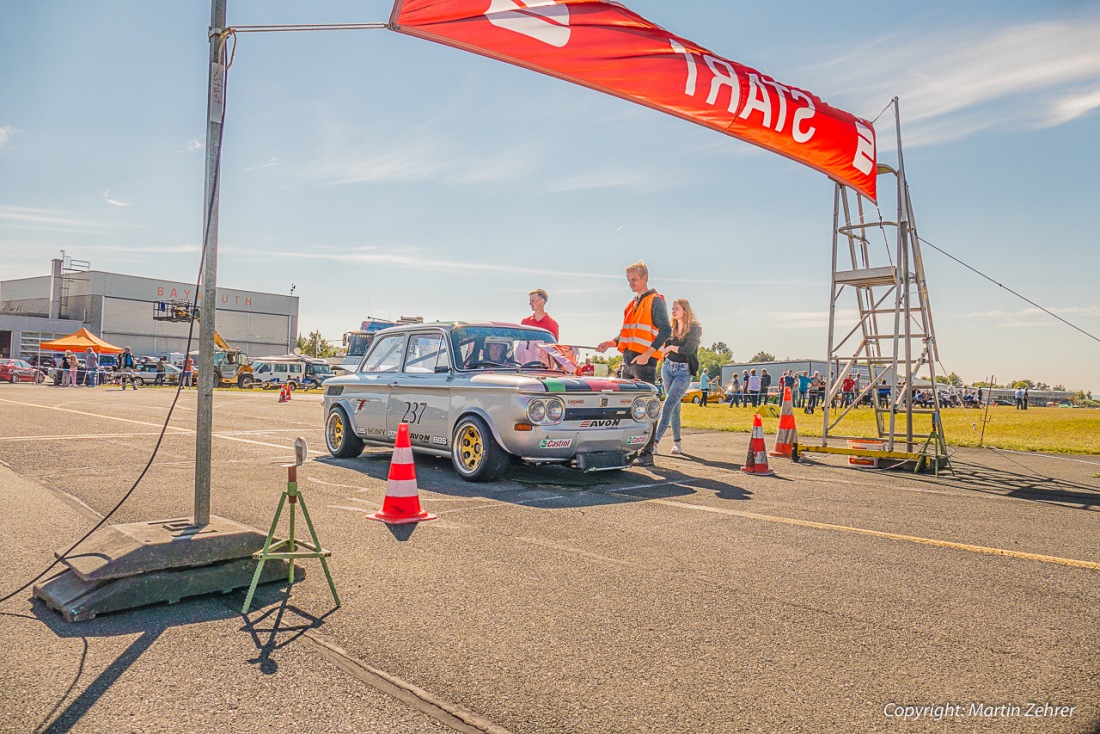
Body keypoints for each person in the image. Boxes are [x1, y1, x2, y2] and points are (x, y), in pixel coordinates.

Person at [597, 261, 671, 467]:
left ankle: (647, 453)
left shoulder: (655, 301)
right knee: (625, 409)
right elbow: (626, 335)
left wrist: (648, 354)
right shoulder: (631, 304)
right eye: (629, 280)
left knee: (645, 409)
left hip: (644, 363)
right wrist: (611, 343)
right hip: (628, 361)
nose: (631, 283)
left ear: (645, 278)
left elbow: (666, 330)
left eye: (635, 280)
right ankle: (628, 450)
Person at [652, 299, 701, 456]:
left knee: (667, 405)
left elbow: (689, 349)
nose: (673, 311)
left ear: (685, 310)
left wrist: (672, 347)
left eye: (676, 308)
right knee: (675, 406)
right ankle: (677, 443)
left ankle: (654, 443)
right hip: (667, 368)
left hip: (683, 371)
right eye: (672, 309)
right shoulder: (671, 327)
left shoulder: (695, 328)